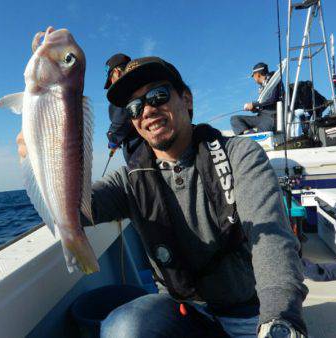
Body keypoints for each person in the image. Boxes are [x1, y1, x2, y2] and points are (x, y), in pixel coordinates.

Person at [17, 57, 308, 337]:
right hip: (181, 313)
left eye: (158, 95)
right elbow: (75, 211)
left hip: (249, 314)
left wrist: (278, 318)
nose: (147, 110)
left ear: (187, 99)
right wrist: (39, 160)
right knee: (123, 328)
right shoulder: (129, 179)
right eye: (134, 107)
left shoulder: (240, 155)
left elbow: (272, 242)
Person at [104, 53, 143, 162]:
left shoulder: (122, 91)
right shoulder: (143, 85)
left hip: (140, 156)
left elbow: (120, 121)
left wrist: (113, 140)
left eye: (111, 79)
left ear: (117, 72)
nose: (111, 85)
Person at [231, 62, 283, 135]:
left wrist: (253, 104)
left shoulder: (273, 81)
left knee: (259, 134)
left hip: (271, 118)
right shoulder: (263, 86)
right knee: (235, 119)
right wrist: (255, 109)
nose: (254, 78)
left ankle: (251, 136)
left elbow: (273, 99)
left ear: (257, 75)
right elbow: (265, 104)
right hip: (261, 117)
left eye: (253, 76)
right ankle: (248, 135)